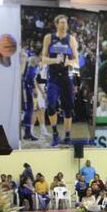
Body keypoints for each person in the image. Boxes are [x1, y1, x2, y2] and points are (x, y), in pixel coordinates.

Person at [41, 14, 79, 145]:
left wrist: (69, 61)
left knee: (68, 109)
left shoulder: (71, 39)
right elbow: (43, 59)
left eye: (66, 23)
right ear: (56, 24)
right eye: (62, 23)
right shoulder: (49, 38)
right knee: (51, 106)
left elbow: (77, 61)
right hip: (53, 78)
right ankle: (55, 134)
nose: (64, 25)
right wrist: (54, 60)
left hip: (66, 78)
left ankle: (67, 136)